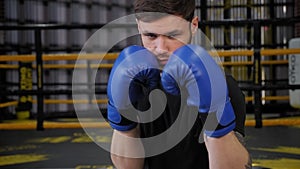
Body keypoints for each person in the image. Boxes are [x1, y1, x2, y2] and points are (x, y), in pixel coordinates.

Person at [106, 0, 252, 169]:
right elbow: (127, 167)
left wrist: (217, 121)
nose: (161, 48)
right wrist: (123, 120)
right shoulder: (134, 81)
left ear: (193, 25)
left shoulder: (220, 84)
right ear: (139, 27)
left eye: (172, 35)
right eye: (151, 36)